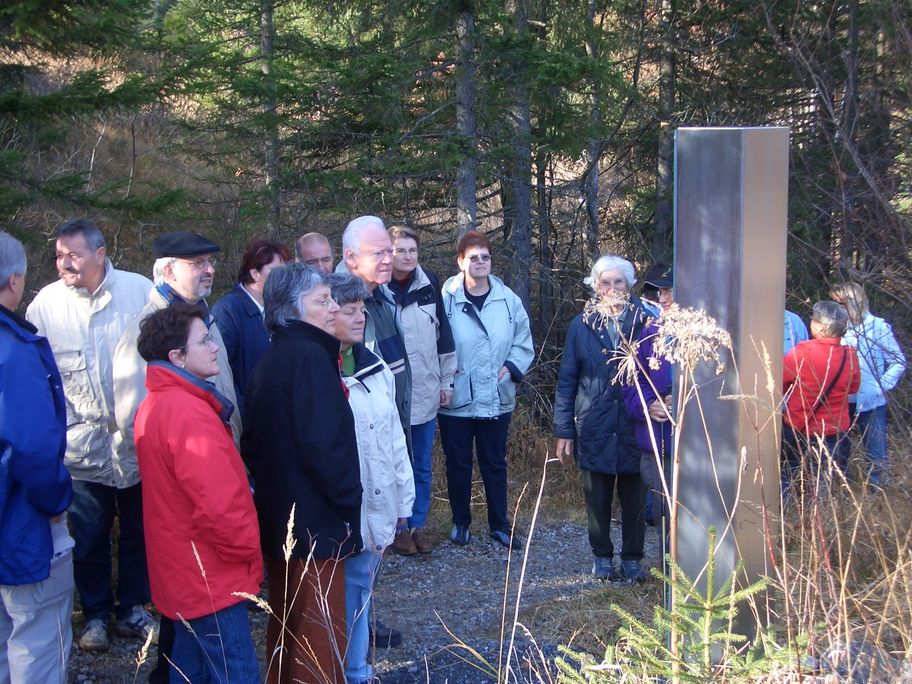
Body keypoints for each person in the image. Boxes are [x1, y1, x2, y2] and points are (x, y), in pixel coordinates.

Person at [25, 219, 155, 651]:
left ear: (101, 254)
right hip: (81, 448)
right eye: (59, 255)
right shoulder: (46, 304)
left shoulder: (139, 293)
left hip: (137, 442)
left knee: (140, 530)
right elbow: (36, 376)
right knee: (89, 535)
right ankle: (96, 615)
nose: (64, 263)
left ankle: (133, 608)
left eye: (73, 254)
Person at [242, 264, 362, 684]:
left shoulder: (274, 358)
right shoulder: (310, 359)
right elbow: (324, 447)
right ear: (294, 311)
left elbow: (253, 447)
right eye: (322, 301)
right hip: (316, 524)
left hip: (283, 519)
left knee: (287, 627)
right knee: (317, 633)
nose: (334, 308)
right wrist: (350, 502)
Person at [134, 305, 262, 683]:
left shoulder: (159, 403)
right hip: (210, 575)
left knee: (189, 672)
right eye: (204, 340)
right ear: (177, 357)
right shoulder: (187, 413)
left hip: (184, 571)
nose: (215, 347)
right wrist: (247, 553)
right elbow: (219, 505)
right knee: (235, 673)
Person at [328, 273, 415, 684]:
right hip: (342, 508)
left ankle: (357, 668)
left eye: (362, 308)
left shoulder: (374, 365)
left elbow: (395, 437)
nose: (361, 317)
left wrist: (403, 501)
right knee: (346, 591)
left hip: (378, 501)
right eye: (350, 310)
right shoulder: (319, 371)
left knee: (361, 587)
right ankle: (350, 671)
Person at [0, 232, 75, 683]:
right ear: (14, 281)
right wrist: (57, 501)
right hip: (21, 525)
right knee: (39, 639)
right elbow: (31, 447)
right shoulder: (13, 352)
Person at [553, 255, 650, 582]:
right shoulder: (580, 326)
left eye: (618, 282)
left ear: (629, 284)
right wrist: (564, 428)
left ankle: (633, 558)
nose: (612, 288)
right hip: (594, 424)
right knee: (597, 499)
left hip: (636, 424)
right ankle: (602, 556)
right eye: (605, 282)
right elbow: (567, 379)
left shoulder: (647, 322)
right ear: (595, 286)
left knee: (636, 498)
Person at [439, 231, 534, 549]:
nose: (480, 262)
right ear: (460, 261)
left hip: (496, 395)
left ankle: (499, 525)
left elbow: (523, 341)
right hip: (456, 397)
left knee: (494, 462)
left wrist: (511, 368)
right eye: (473, 257)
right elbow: (435, 343)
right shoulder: (446, 299)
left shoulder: (508, 301)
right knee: (458, 463)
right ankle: (460, 523)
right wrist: (443, 380)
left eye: (485, 257)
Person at [114, 231, 242, 450]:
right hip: (187, 471)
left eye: (210, 262)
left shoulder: (206, 321)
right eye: (198, 263)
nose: (210, 270)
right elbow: (133, 422)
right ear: (169, 271)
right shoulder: (146, 333)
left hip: (221, 458)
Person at [386, 225, 455, 555]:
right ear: (388, 252)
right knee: (393, 464)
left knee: (422, 465)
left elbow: (444, 338)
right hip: (389, 397)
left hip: (426, 392)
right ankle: (396, 528)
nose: (408, 256)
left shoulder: (429, 285)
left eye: (412, 250)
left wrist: (447, 382)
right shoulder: (376, 289)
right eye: (401, 250)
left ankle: (418, 524)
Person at [830, 282, 906, 485]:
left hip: (871, 401)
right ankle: (843, 489)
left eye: (841, 303)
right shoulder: (835, 329)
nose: (837, 308)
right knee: (839, 450)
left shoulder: (878, 327)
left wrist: (879, 386)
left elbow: (898, 362)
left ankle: (877, 492)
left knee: (876, 451)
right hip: (842, 401)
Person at [781, 300, 860, 486]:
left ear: (818, 326)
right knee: (822, 479)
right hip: (834, 428)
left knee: (788, 471)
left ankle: (787, 508)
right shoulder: (849, 355)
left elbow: (781, 384)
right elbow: (853, 388)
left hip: (799, 426)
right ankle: (819, 511)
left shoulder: (802, 352)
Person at [622, 263, 673, 532]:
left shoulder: (708, 336)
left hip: (697, 449)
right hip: (657, 440)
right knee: (663, 516)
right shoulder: (650, 333)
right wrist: (649, 405)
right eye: (660, 293)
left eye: (669, 292)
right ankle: (666, 571)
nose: (663, 300)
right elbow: (632, 381)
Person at [211, 238, 290, 414]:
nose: (284, 280)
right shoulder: (228, 311)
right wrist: (245, 417)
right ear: (254, 273)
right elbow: (221, 376)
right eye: (277, 272)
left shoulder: (281, 309)